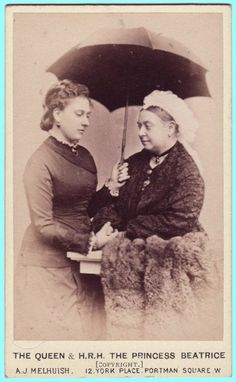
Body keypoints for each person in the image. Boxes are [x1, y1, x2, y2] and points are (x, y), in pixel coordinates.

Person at [14, 79, 128, 340]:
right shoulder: (40, 162)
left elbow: (84, 207)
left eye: (88, 115)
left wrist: (111, 185)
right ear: (56, 115)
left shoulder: (84, 156)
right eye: (79, 114)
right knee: (62, 339)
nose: (86, 121)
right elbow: (43, 226)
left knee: (89, 336)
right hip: (47, 267)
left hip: (80, 263)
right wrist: (90, 241)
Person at [92, 90, 205, 240]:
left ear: (170, 128)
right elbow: (111, 208)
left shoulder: (187, 171)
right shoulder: (134, 162)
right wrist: (113, 187)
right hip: (123, 245)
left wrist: (123, 234)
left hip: (165, 251)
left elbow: (179, 221)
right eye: (139, 126)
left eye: (148, 126)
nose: (141, 132)